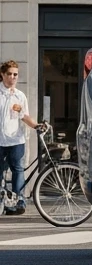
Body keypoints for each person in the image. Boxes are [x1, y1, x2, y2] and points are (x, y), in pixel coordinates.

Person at [0, 60, 46, 215]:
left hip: (16, 140)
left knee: (18, 170)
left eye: (15, 74)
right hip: (0, 140)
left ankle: (19, 201)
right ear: (2, 74)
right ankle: (2, 202)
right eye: (9, 74)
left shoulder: (20, 96)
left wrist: (36, 126)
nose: (13, 77)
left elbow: (24, 116)